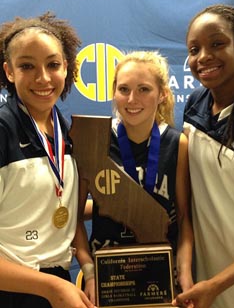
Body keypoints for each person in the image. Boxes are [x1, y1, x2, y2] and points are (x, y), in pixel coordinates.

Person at [75, 50, 194, 304]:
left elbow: (183, 217)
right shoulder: (94, 141)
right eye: (124, 89)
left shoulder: (177, 144)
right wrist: (88, 271)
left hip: (161, 276)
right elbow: (73, 217)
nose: (132, 99)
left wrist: (184, 272)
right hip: (108, 277)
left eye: (144, 89)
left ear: (162, 94)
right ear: (114, 93)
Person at [0, 13, 95, 308]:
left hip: (57, 283)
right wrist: (52, 287)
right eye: (27, 66)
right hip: (14, 290)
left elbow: (54, 205)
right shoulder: (3, 129)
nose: (42, 77)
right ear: (9, 71)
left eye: (52, 64)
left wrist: (89, 270)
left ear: (66, 67)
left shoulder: (64, 130)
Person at [172, 4, 234, 308]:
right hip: (205, 287)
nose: (203, 56)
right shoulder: (195, 104)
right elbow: (187, 204)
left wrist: (216, 285)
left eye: (217, 44)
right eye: (194, 49)